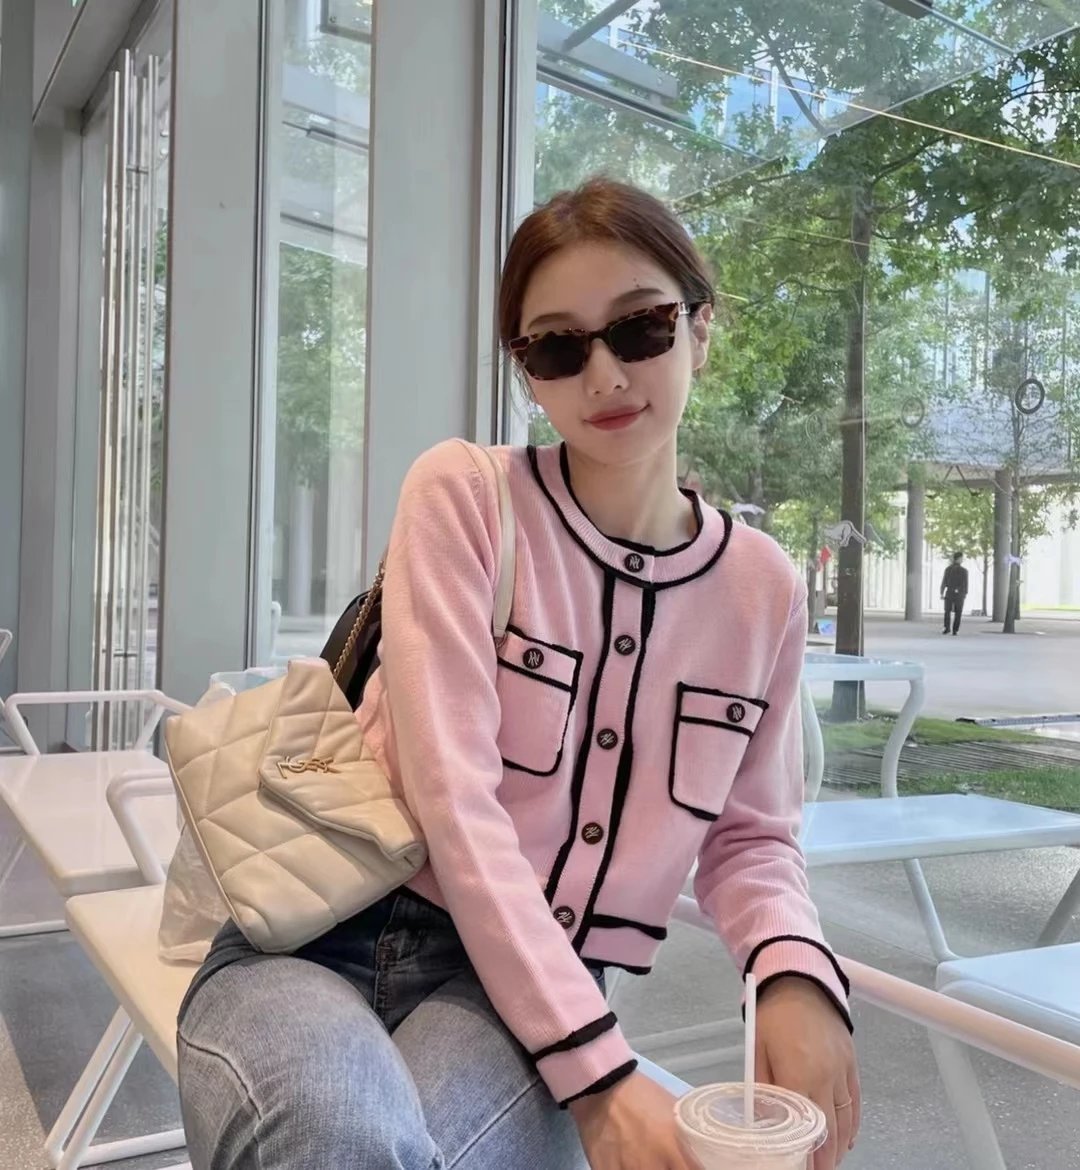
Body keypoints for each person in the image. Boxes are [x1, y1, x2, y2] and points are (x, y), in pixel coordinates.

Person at [176, 178, 860, 1170]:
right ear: (527, 372)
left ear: (701, 328)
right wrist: (603, 1079)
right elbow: (455, 802)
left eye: (641, 327)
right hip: (314, 930)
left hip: (517, 994)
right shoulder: (465, 496)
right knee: (336, 1134)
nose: (605, 375)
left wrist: (793, 970)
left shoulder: (763, 589)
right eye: (557, 348)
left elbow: (751, 836)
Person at [941, 551, 969, 635]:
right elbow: (965, 583)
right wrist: (965, 593)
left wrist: (942, 592)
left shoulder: (948, 569)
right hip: (959, 593)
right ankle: (954, 630)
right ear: (958, 559)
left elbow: (944, 582)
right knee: (957, 612)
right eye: (961, 558)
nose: (962, 560)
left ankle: (948, 628)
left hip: (950, 592)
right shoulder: (964, 571)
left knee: (948, 611)